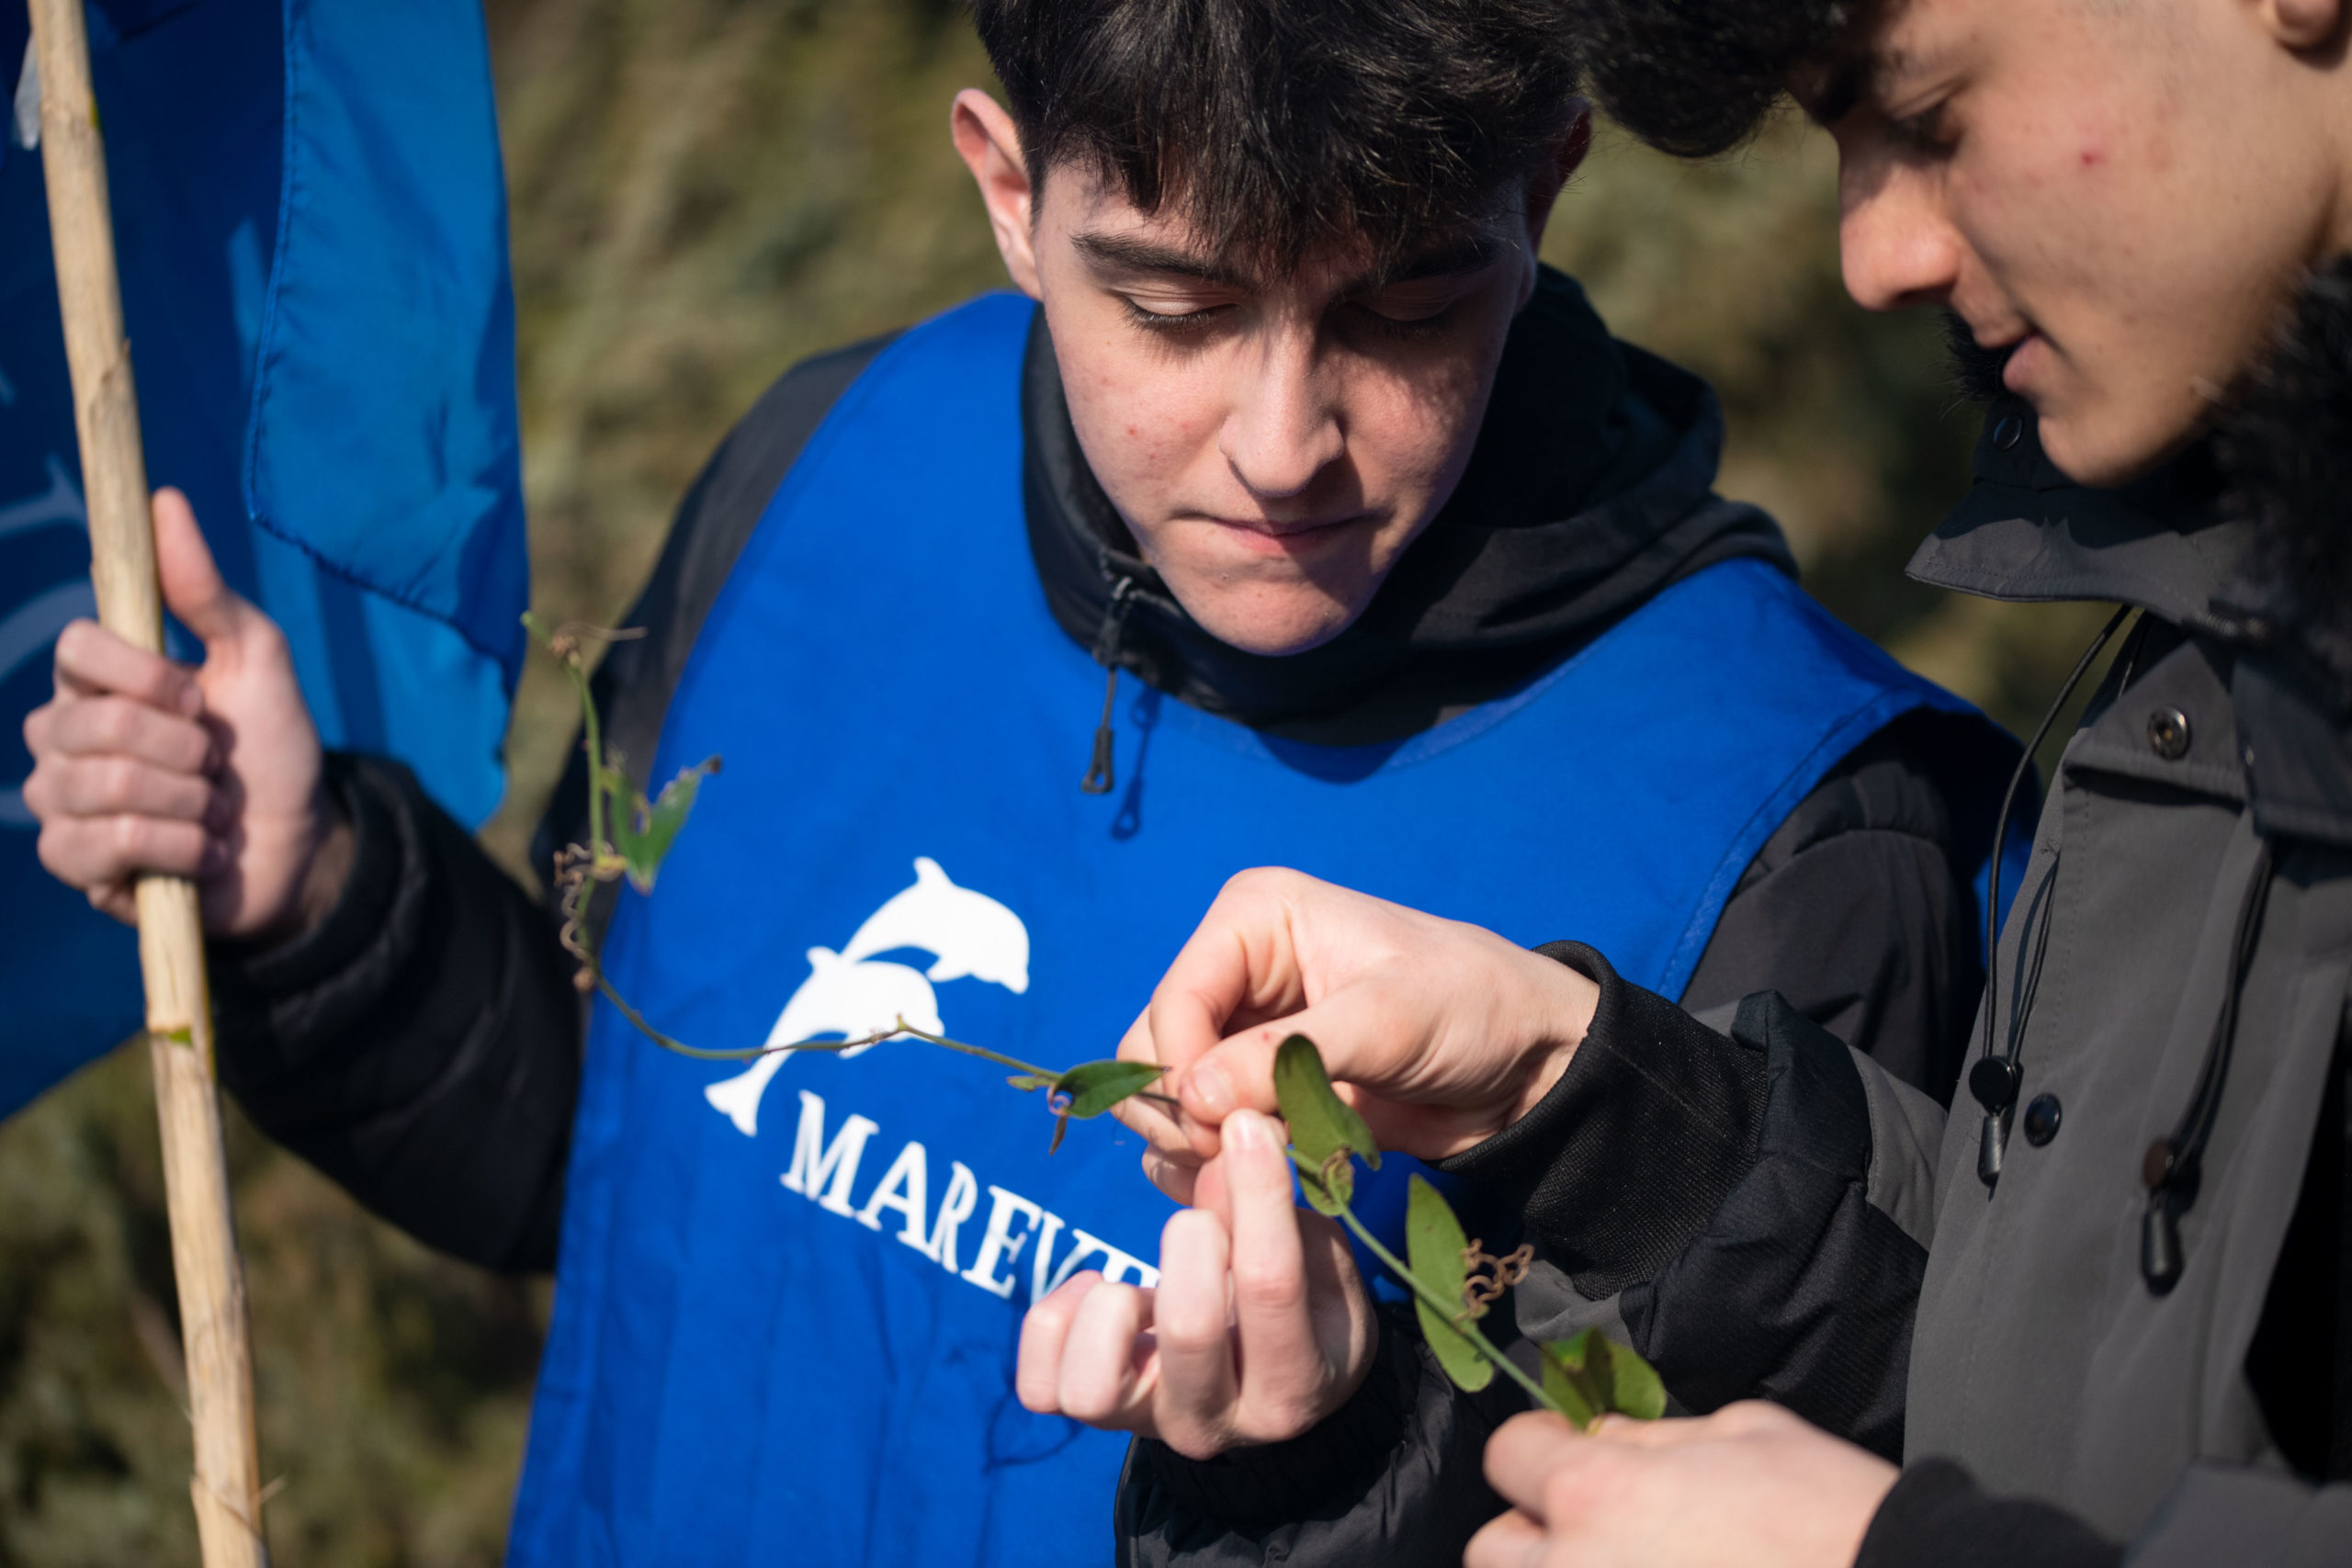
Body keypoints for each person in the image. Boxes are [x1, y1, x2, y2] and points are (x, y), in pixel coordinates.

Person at [20, 2, 2022, 1562]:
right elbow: (609, 1155)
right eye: (1173, 301)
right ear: (1004, 185)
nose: (1280, 440)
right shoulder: (830, 463)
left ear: (1549, 187)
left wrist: (1334, 1470)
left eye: (1406, 305)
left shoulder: (1802, 822)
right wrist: (318, 899)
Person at [1028, 0, 2352, 1563]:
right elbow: (2074, 1352)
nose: (1873, 257)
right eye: (1180, 306)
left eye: (1928, 118)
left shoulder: (1834, 806)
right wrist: (1581, 1095)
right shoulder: (2216, 640)